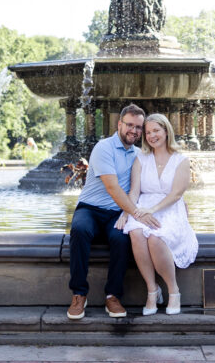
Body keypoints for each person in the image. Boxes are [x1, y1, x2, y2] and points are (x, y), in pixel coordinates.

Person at [67, 104, 158, 320]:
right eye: (129, 125)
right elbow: (113, 188)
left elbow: (145, 187)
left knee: (122, 238)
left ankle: (113, 295)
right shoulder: (103, 148)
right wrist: (137, 213)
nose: (134, 131)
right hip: (90, 208)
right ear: (119, 124)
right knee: (79, 230)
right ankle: (79, 294)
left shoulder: (139, 155)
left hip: (118, 213)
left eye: (138, 127)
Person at [117, 113, 198, 316]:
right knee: (136, 233)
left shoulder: (181, 160)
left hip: (169, 208)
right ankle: (152, 290)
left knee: (155, 237)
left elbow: (177, 193)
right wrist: (128, 211)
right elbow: (134, 190)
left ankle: (173, 290)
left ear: (166, 131)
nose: (152, 136)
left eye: (156, 131)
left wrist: (152, 211)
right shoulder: (141, 158)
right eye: (148, 132)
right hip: (143, 205)